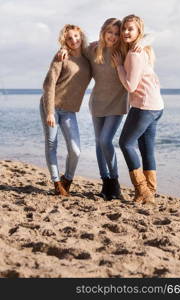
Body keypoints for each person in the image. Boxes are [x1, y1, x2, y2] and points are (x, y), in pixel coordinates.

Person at [58, 18, 154, 200]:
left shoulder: (125, 50)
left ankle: (115, 182)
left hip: (117, 103)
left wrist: (142, 42)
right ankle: (106, 183)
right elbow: (74, 46)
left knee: (105, 141)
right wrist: (64, 48)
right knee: (98, 142)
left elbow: (150, 36)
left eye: (117, 33)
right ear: (103, 31)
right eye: (110, 32)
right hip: (97, 103)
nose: (113, 36)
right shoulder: (92, 49)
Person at [112, 14, 164, 204]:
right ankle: (150, 190)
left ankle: (142, 190)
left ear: (138, 31)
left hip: (144, 106)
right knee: (146, 149)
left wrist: (119, 66)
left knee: (126, 143)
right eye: (124, 28)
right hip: (156, 106)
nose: (125, 32)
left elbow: (130, 86)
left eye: (130, 29)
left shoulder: (135, 53)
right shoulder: (143, 49)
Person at [40, 24, 91, 196]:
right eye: (69, 38)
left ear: (81, 36)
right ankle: (56, 184)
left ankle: (67, 179)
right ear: (64, 40)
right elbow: (49, 84)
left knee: (75, 150)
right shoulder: (61, 56)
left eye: (76, 36)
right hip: (51, 106)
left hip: (69, 110)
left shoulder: (87, 57)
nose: (73, 40)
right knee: (51, 144)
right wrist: (49, 112)